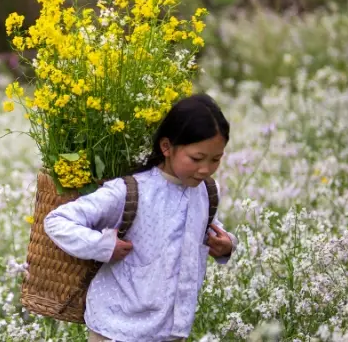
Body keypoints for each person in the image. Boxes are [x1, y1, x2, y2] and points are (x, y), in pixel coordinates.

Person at [43, 93, 239, 342]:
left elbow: (206, 227)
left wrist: (226, 245)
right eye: (197, 159)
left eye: (216, 159)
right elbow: (57, 220)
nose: (206, 169)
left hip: (171, 330)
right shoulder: (129, 191)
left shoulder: (208, 192)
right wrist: (102, 246)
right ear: (166, 147)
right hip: (114, 329)